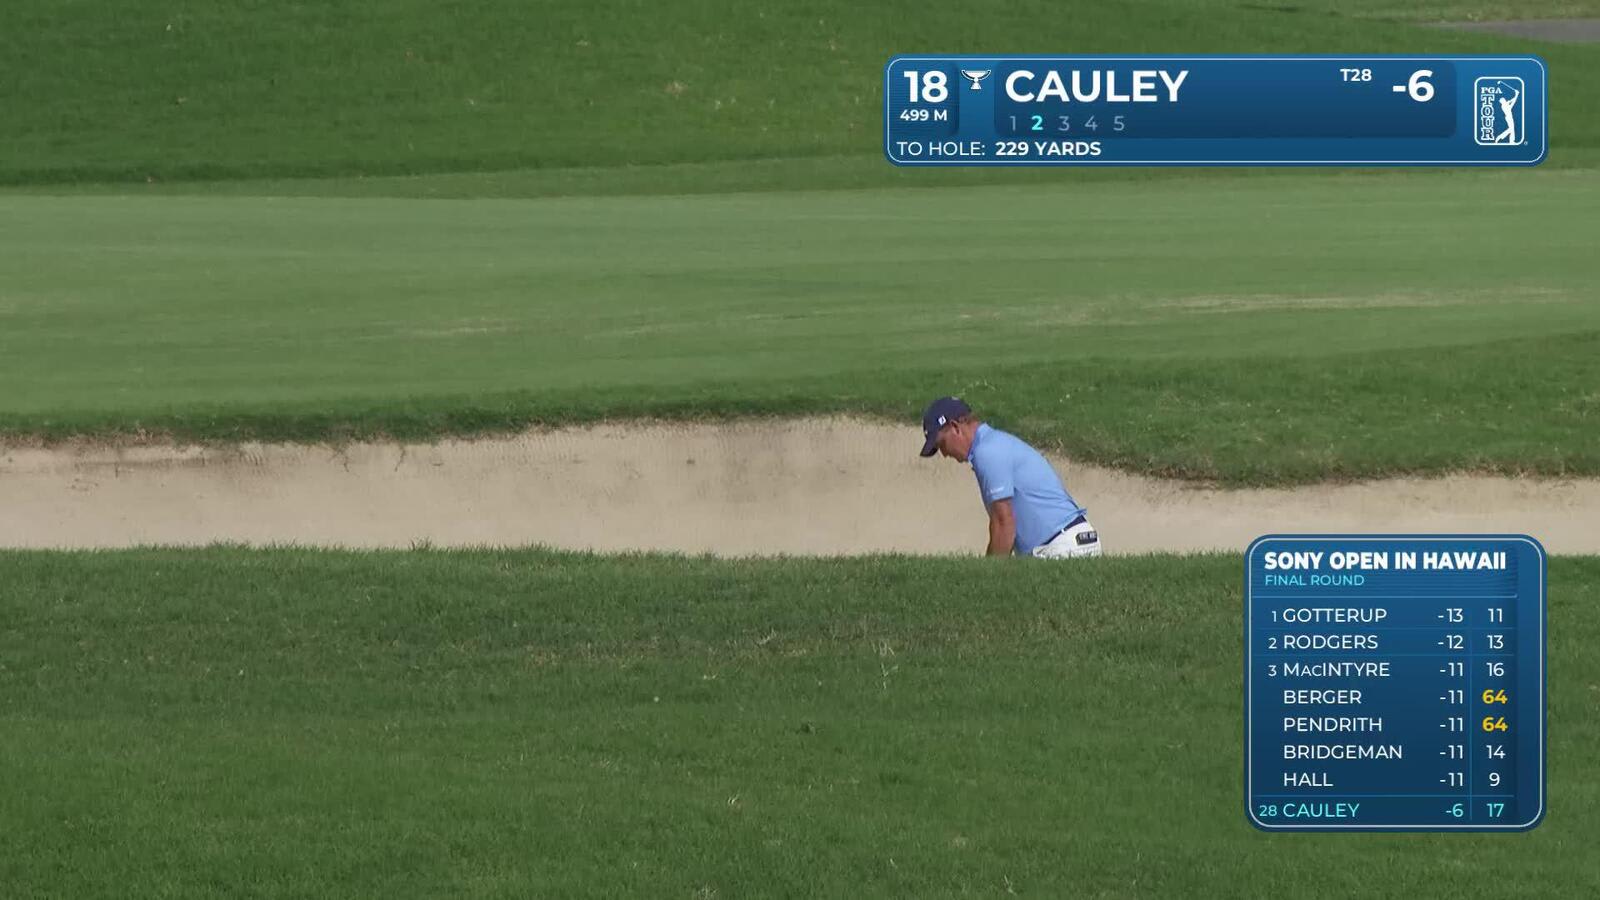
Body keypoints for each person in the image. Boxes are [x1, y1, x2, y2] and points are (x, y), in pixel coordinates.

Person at [918, 396, 1101, 559]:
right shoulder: (994, 443)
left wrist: (987, 577)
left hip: (1061, 546)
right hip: (1075, 540)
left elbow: (1004, 524)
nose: (943, 453)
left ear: (955, 427)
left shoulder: (987, 452)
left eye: (941, 444)